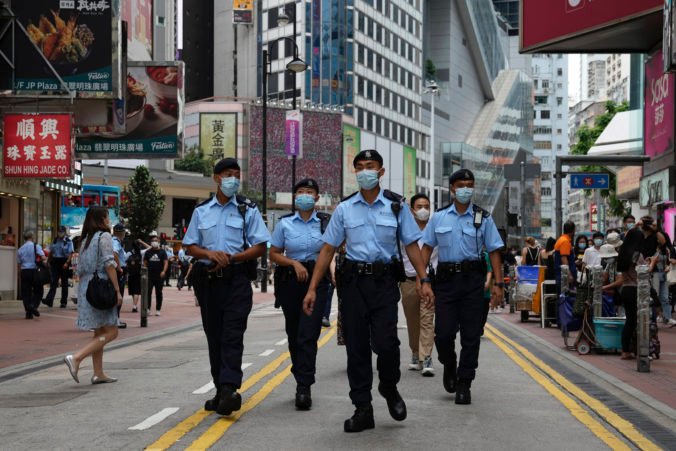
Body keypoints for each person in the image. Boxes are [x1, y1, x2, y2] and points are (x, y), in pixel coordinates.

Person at [302, 149, 434, 433]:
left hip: (384, 283)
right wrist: (313, 288)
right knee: (357, 349)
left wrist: (424, 281)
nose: (365, 171)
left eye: (370, 166)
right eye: (360, 167)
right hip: (352, 285)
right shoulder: (345, 208)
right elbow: (327, 249)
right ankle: (363, 408)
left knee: (387, 345)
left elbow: (412, 245)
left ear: (381, 172)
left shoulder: (397, 206)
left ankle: (389, 386)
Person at [183, 158, 269, 417]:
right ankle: (221, 390)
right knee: (215, 335)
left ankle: (231, 388)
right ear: (216, 178)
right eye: (227, 174)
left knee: (233, 333)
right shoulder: (202, 210)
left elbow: (260, 245)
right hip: (208, 281)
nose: (233, 179)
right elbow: (190, 246)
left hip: (237, 280)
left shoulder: (247, 209)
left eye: (236, 174)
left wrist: (232, 257)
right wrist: (210, 253)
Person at [421, 169, 504, 406]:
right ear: (452, 189)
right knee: (444, 334)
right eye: (461, 185)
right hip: (445, 283)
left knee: (471, 335)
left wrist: (498, 284)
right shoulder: (438, 218)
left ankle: (464, 382)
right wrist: (423, 279)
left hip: (472, 283)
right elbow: (426, 248)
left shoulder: (482, 217)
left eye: (470, 184)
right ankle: (449, 363)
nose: (466, 188)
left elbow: (494, 251)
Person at [270, 178, 331, 410]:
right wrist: (294, 264)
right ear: (295, 197)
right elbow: (273, 253)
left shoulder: (326, 222)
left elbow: (331, 250)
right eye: (301, 192)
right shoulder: (285, 224)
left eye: (310, 192)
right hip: (290, 283)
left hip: (317, 283)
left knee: (308, 334)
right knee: (294, 334)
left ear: (317, 197)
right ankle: (300, 371)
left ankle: (304, 386)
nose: (305, 195)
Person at [62, 207, 122, 384]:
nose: (109, 221)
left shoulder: (85, 239)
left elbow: (79, 268)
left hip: (86, 287)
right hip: (101, 286)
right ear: (101, 219)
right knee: (112, 331)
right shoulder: (104, 237)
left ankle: (98, 373)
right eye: (107, 217)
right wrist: (117, 289)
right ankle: (77, 358)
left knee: (99, 331)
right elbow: (109, 264)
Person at [400, 193, 437, 376]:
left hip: (429, 282)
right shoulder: (404, 230)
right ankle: (415, 353)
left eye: (426, 206)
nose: (423, 210)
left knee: (427, 319)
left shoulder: (436, 228)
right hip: (407, 280)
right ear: (412, 209)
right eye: (419, 206)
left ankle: (427, 356)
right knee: (413, 320)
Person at [603, 228, 646, 360]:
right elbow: (644, 272)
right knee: (639, 321)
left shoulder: (622, 255)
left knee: (629, 321)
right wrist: (652, 263)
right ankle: (638, 350)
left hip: (625, 290)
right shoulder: (637, 255)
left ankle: (626, 350)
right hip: (635, 290)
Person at [43, 225, 74, 308]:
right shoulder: (55, 240)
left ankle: (63, 302)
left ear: (64, 233)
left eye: (62, 232)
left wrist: (67, 263)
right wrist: (48, 261)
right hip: (55, 261)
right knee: (53, 281)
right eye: (59, 232)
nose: (60, 233)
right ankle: (49, 300)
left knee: (64, 282)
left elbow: (71, 253)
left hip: (64, 261)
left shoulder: (68, 241)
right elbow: (51, 252)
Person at [16, 231, 45, 319]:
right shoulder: (36, 246)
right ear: (32, 237)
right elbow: (43, 257)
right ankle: (33, 305)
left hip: (24, 271)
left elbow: (18, 264)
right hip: (35, 271)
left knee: (26, 293)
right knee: (39, 290)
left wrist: (19, 274)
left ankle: (28, 312)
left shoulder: (20, 249)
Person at [650, 231, 675, 326]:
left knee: (665, 297)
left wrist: (668, 266)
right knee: (654, 296)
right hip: (655, 274)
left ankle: (667, 317)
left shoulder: (667, 249)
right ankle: (655, 317)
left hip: (663, 275)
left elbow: (668, 261)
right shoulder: (652, 248)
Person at [143, 235, 169, 316]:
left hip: (159, 276)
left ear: (158, 242)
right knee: (148, 292)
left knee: (159, 293)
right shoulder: (148, 252)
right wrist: (145, 271)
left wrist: (164, 271)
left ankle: (158, 309)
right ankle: (148, 308)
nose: (154, 242)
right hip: (150, 276)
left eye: (156, 240)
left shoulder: (162, 252)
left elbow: (166, 262)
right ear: (151, 242)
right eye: (153, 240)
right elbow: (145, 263)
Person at [111, 224, 128, 329]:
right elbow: (114, 253)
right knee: (118, 295)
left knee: (117, 295)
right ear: (121, 233)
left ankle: (115, 318)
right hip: (119, 271)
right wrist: (119, 268)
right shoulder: (115, 241)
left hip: (119, 270)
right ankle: (115, 319)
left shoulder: (116, 241)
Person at [555, 220, 577, 287]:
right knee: (566, 295)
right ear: (572, 230)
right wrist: (569, 275)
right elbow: (564, 259)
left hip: (562, 274)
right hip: (564, 276)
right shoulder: (565, 241)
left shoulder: (562, 239)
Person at [126, 241, 144, 312]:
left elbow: (124, 261)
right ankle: (134, 306)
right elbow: (149, 248)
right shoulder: (141, 253)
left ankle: (134, 305)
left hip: (131, 274)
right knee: (137, 290)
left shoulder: (129, 253)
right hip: (138, 274)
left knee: (133, 291)